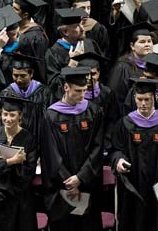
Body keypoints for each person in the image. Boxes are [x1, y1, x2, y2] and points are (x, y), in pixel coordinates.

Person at [41, 67, 104, 231]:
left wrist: (81, 178)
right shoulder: (51, 115)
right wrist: (70, 181)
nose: (82, 95)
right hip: (63, 186)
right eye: (78, 90)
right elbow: (50, 154)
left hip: (87, 183)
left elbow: (98, 148)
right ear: (66, 87)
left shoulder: (93, 111)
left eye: (84, 90)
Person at [0, 95, 38, 231]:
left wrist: (2, 162)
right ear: (1, 114)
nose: (8, 119)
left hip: (19, 196)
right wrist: (12, 161)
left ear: (20, 116)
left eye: (12, 115)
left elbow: (30, 170)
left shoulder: (29, 138)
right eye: (5, 114)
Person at [110, 78, 158, 231]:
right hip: (133, 185)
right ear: (134, 99)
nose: (143, 103)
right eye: (139, 99)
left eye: (147, 99)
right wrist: (118, 160)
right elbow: (115, 149)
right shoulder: (125, 124)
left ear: (154, 98)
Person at [0, 53, 51, 142]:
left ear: (31, 74)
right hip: (13, 140)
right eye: (15, 75)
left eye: (23, 76)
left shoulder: (44, 92)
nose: (18, 80)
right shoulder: (6, 93)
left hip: (38, 140)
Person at [107, 22, 155, 115]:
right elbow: (116, 99)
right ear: (132, 46)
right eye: (142, 42)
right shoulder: (122, 67)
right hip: (130, 117)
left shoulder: (154, 65)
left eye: (149, 41)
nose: (147, 44)